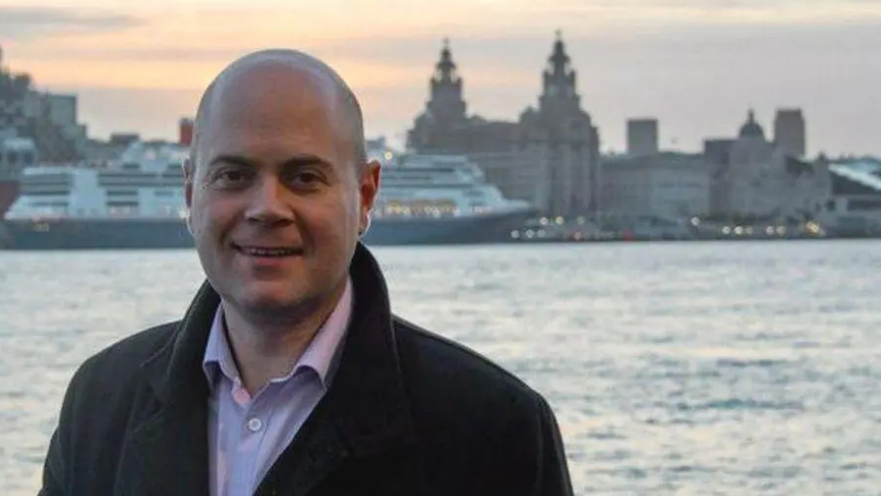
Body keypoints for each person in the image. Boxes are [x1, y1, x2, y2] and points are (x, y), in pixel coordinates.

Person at [39, 49, 574, 496]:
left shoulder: (494, 427)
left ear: (365, 196)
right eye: (233, 175)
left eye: (303, 177)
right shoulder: (100, 401)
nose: (266, 208)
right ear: (189, 193)